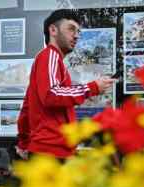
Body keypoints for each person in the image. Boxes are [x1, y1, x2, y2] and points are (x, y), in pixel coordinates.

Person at [16, 9, 115, 159]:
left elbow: (27, 107)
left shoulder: (51, 62)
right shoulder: (49, 56)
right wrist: (92, 87)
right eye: (71, 29)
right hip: (52, 152)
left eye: (78, 32)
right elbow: (51, 95)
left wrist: (24, 143)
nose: (76, 36)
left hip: (48, 152)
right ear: (53, 30)